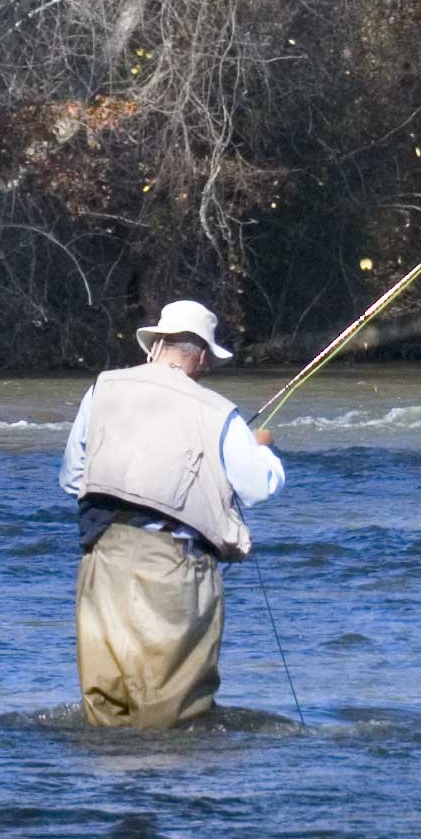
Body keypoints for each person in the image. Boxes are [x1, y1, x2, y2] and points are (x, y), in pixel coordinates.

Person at [58, 298, 285, 730]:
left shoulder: (101, 388)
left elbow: (72, 479)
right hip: (175, 567)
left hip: (102, 559)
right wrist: (263, 449)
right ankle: (169, 794)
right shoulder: (219, 413)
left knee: (106, 704)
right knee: (173, 711)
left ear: (156, 345)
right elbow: (259, 488)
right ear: (200, 355)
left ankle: (111, 792)